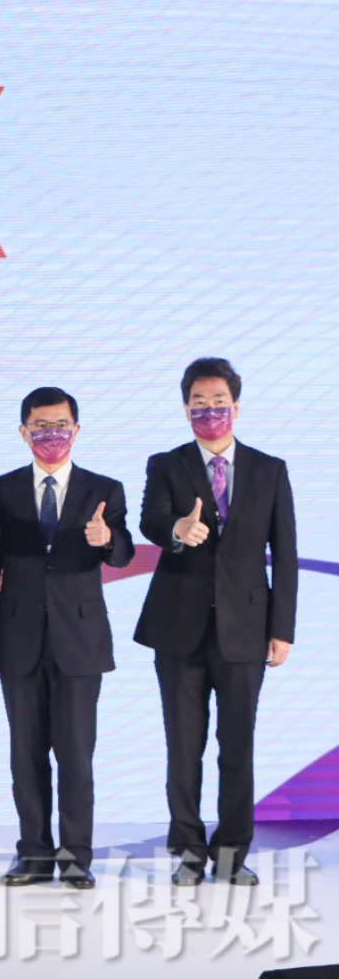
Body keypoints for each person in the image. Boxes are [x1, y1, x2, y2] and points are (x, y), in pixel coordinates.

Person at [136, 358, 296, 886]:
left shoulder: (270, 469)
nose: (209, 411)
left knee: (237, 747)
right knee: (183, 748)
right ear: (186, 410)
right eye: (199, 403)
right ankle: (188, 852)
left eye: (218, 402)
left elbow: (285, 553)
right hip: (178, 628)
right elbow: (151, 520)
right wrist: (177, 529)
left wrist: (282, 628)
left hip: (246, 629)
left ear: (236, 406)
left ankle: (231, 853)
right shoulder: (167, 464)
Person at [0, 387, 134, 891]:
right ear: (24, 432)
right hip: (17, 640)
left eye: (60, 425)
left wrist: (106, 539)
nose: (51, 434)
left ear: (76, 430)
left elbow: (124, 553)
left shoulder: (103, 488)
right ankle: (33, 855)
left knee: (76, 756)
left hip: (79, 641)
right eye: (40, 426)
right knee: (25, 756)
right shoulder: (0, 490)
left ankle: (75, 858)